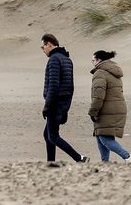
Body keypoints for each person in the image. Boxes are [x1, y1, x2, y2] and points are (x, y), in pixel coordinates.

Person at [40, 33, 88, 165]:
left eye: (42, 46)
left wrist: (47, 106)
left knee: (53, 136)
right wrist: (66, 109)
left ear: (49, 44)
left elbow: (53, 85)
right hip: (62, 104)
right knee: (47, 135)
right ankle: (51, 162)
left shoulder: (54, 59)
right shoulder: (67, 59)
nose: (43, 50)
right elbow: (70, 87)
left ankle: (79, 158)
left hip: (55, 103)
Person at [88, 49, 131, 163]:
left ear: (99, 60)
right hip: (117, 108)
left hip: (107, 109)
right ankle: (105, 162)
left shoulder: (99, 73)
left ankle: (128, 157)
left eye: (93, 60)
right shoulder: (114, 72)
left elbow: (98, 96)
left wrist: (93, 111)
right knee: (100, 134)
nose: (92, 62)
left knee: (104, 138)